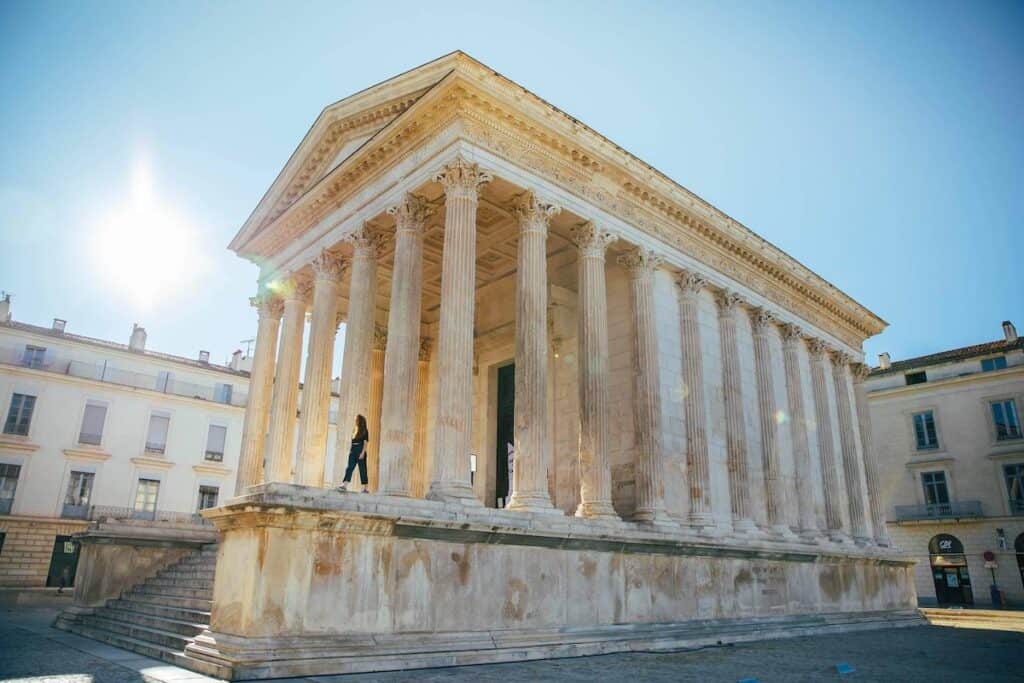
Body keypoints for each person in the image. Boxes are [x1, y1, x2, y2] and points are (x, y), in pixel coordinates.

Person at [338, 414, 369, 493]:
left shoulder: (365, 431)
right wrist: (351, 451)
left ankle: (365, 488)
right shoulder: (354, 430)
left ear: (360, 421)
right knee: (349, 467)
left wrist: (362, 453)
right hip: (353, 450)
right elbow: (352, 442)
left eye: (356, 419)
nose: (355, 421)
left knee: (362, 469)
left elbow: (365, 443)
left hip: (360, 449)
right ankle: (344, 484)